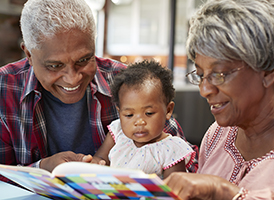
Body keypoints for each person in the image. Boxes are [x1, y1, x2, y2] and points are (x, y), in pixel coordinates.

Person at [0, 0, 199, 184]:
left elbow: (179, 156)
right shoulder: (4, 87)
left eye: (84, 60)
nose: (73, 78)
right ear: (28, 54)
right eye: (54, 65)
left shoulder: (129, 84)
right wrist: (42, 168)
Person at [164, 0, 274, 199]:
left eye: (219, 74)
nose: (205, 90)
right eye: (201, 75)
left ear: (269, 71)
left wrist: (222, 190)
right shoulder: (218, 135)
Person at [91, 60, 196, 179]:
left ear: (168, 110)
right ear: (119, 112)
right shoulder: (117, 132)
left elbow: (173, 187)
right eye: (129, 115)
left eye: (148, 113)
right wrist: (95, 163)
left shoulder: (172, 150)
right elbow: (100, 159)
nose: (139, 122)